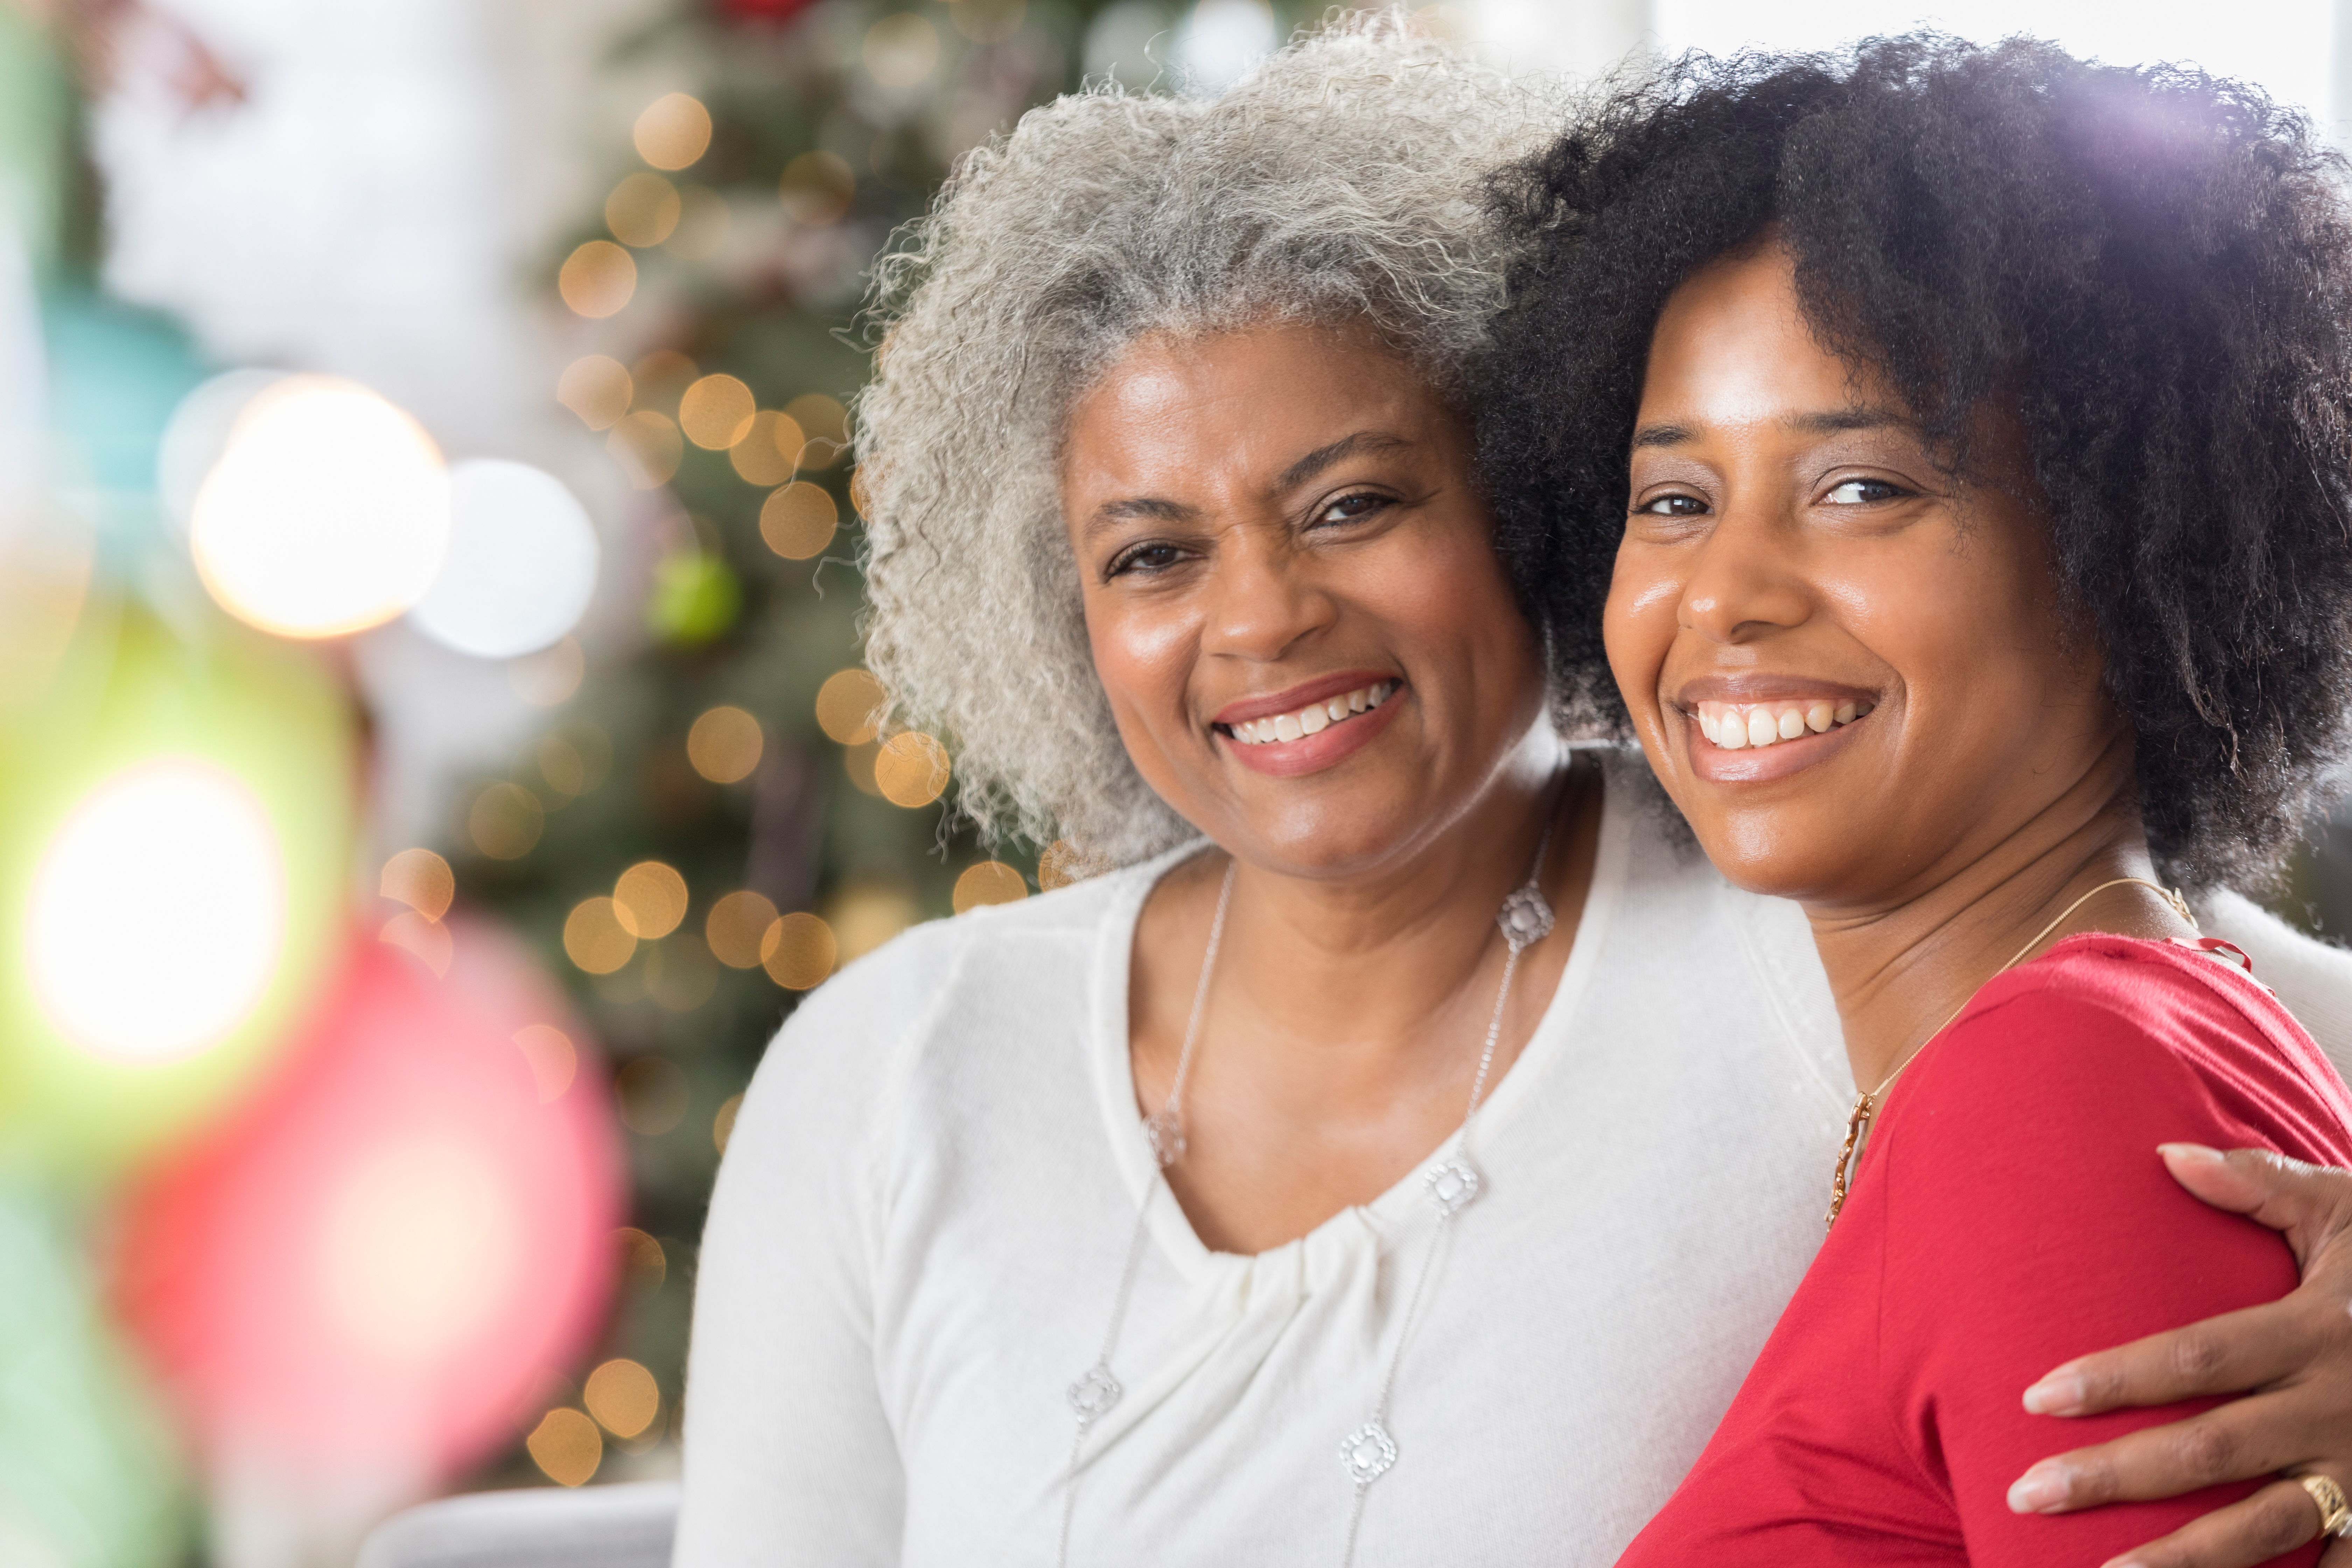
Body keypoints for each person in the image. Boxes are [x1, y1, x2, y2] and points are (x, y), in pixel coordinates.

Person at [675, 20, 2352, 1567]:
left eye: (1352, 506)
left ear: (1521, 502)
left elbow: (2164, 1038)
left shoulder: (1822, 894)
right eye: (1156, 553)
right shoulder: (897, 1069)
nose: (1260, 616)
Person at [1475, 33, 2352, 1567]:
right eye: (1672, 500)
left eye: (1863, 486)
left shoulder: (2058, 1086)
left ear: (2126, 558)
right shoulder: (2075, 1052)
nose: (1725, 597)